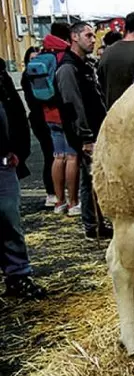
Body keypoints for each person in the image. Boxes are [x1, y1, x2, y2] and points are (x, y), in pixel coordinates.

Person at [56, 22, 112, 240]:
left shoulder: (84, 65)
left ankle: (97, 223)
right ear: (74, 37)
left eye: (93, 35)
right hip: (85, 134)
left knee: (92, 178)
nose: (92, 39)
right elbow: (72, 105)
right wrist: (85, 137)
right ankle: (93, 225)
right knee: (90, 180)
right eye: (88, 35)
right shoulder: (69, 68)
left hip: (95, 130)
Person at [0, 57, 46, 299]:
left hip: (4, 162)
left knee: (9, 218)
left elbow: (15, 111)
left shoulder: (1, 74)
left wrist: (16, 149)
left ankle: (18, 276)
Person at [33, 23, 80, 215]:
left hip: (47, 112)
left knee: (57, 156)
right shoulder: (63, 55)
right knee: (72, 157)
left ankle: (59, 201)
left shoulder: (44, 53)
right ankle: (73, 202)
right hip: (64, 112)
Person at [20, 47, 56, 207]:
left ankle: (54, 192)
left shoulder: (34, 76)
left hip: (41, 117)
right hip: (40, 118)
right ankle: (51, 192)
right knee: (50, 155)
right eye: (32, 59)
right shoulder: (29, 77)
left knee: (54, 155)